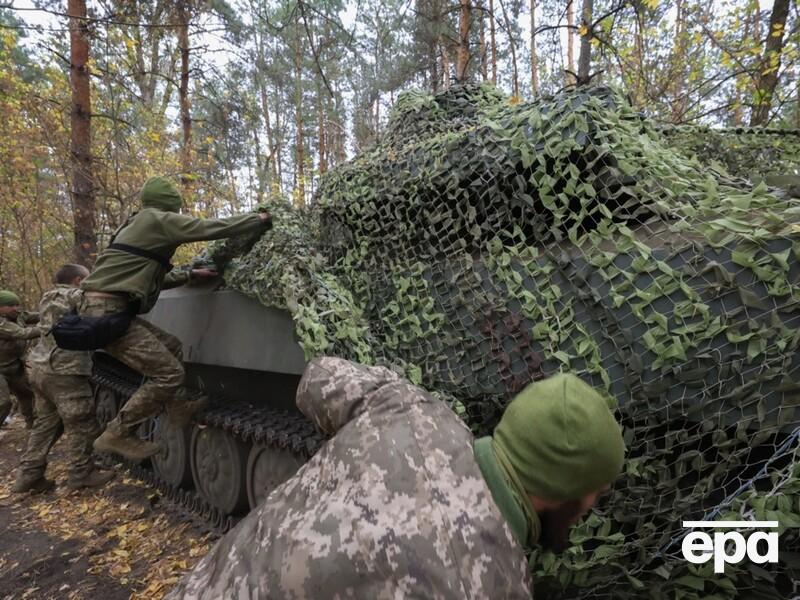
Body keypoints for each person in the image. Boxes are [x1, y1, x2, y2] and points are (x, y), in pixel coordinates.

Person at [168, 357, 626, 600]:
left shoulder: (412, 411)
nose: (591, 509)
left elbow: (316, 378)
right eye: (594, 494)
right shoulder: (490, 586)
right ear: (566, 492)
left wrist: (362, 444)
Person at [82, 176, 272, 461]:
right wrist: (257, 219)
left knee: (172, 346)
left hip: (106, 308)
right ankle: (117, 433)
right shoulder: (157, 220)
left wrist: (189, 275)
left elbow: (145, 278)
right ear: (169, 205)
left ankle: (177, 406)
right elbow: (208, 228)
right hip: (107, 311)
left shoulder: (134, 224)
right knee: (169, 373)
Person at [12, 265, 115, 494]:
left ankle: (28, 475)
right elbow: (103, 311)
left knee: (45, 424)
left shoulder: (48, 296)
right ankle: (81, 473)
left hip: (40, 369)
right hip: (65, 370)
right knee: (82, 422)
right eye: (87, 279)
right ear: (78, 280)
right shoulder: (76, 296)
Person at [0, 290, 40, 429]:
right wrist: (49, 326)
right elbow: (22, 333)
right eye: (11, 305)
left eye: (17, 304)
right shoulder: (2, 324)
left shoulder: (18, 316)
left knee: (26, 394)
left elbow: (39, 316)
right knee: (3, 402)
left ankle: (32, 423)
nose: (16, 308)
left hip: (14, 366)